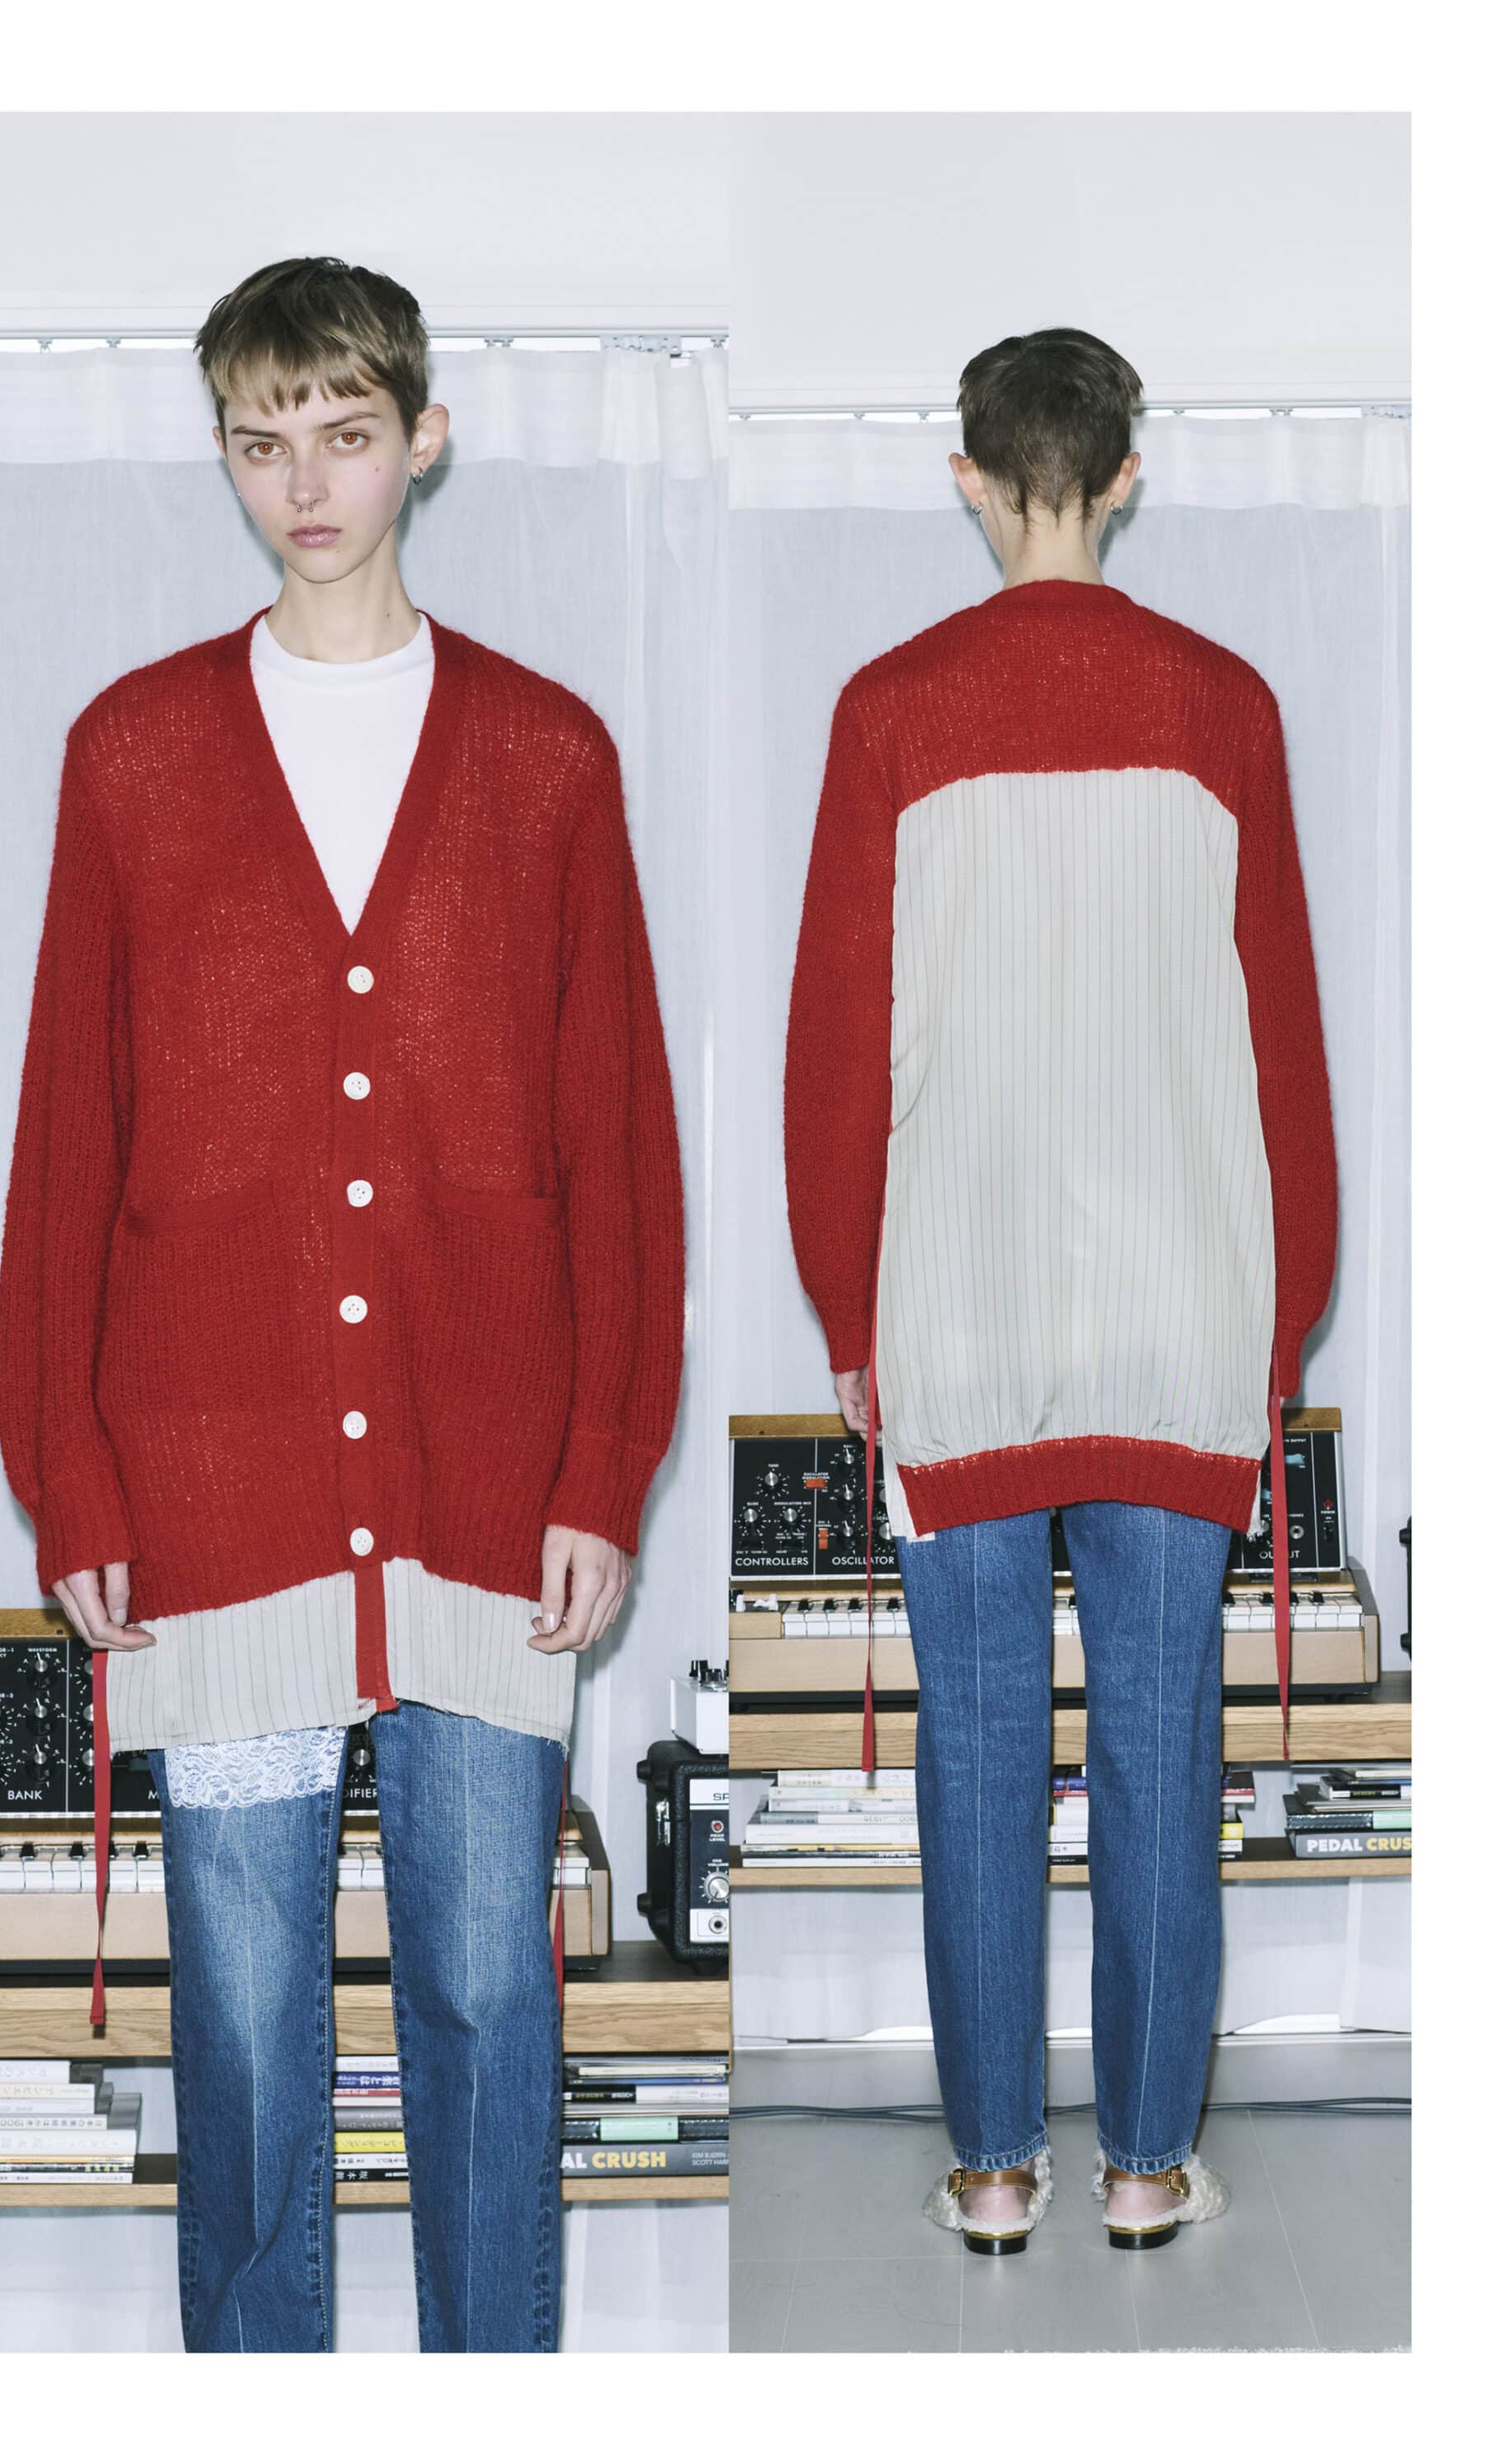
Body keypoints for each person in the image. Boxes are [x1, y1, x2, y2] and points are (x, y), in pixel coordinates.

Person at [0, 255, 685, 2348]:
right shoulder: (133, 754)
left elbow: (617, 1145)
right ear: (223, 453)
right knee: (244, 2021)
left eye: (346, 436)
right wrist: (67, 1472)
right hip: (212, 1499)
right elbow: (68, 1138)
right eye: (260, 444)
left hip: (485, 1486)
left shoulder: (545, 757)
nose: (305, 486)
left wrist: (602, 1463)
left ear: (424, 440)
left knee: (484, 1995)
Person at [782, 328, 1336, 2255]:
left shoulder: (889, 709)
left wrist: (846, 1312)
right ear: (1121, 474)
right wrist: (1286, 1317)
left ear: (968, 473)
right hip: (1183, 1310)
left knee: (977, 1755)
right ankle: (1149, 2167)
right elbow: (1283, 1044)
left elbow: (835, 1051)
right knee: (1162, 1750)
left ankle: (996, 2169)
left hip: (960, 1309)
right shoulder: (1224, 705)